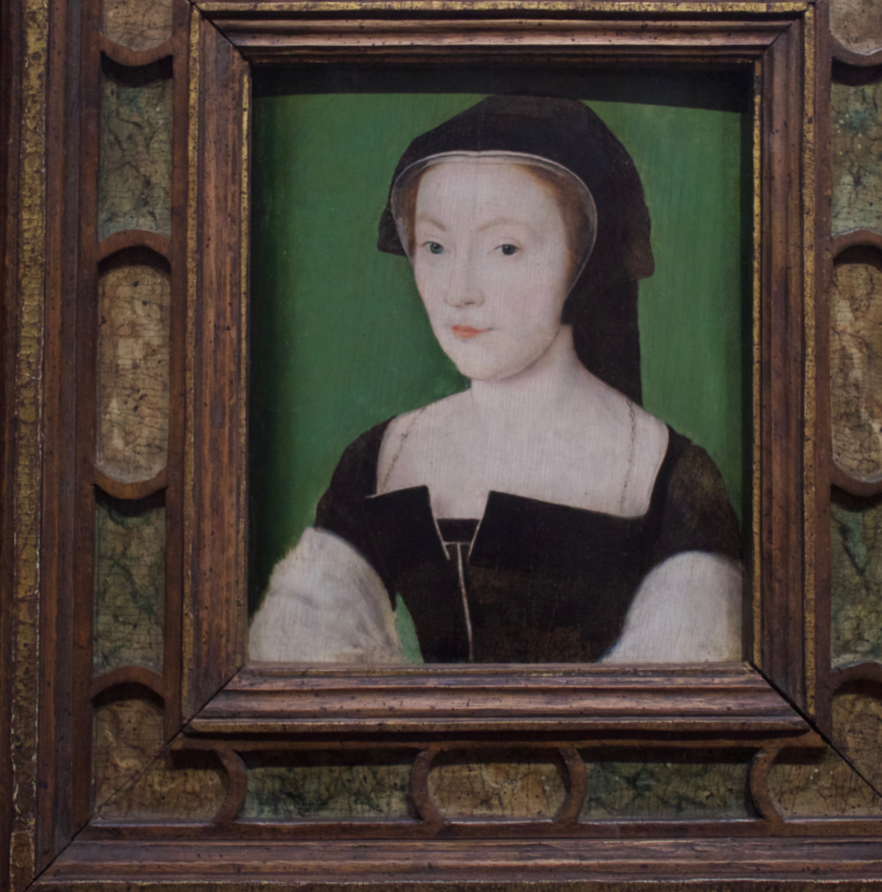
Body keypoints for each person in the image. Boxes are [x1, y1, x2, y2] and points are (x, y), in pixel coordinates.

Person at [249, 95, 743, 664]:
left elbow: (686, 687)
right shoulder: (381, 458)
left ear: (583, 260)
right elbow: (297, 663)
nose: (459, 290)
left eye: (505, 248)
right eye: (435, 246)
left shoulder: (667, 474)